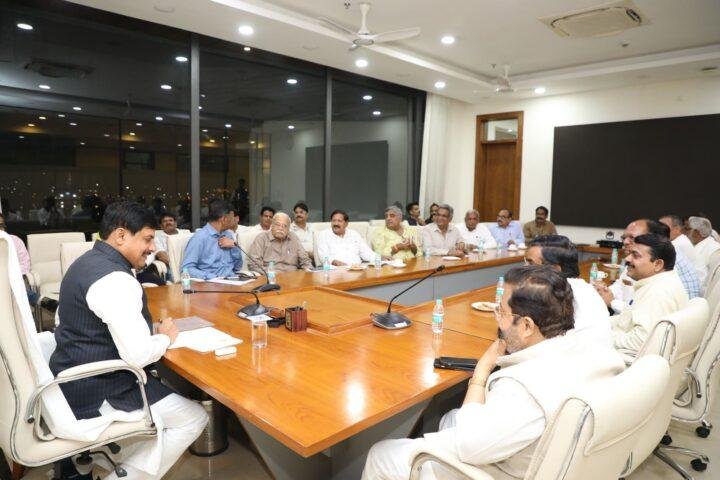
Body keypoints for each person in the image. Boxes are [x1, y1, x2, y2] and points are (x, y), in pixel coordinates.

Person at [362, 265, 625, 480]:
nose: (497, 319)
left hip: (498, 469)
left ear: (526, 326)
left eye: (502, 312)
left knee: (381, 453)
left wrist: (481, 372)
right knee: (448, 419)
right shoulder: (591, 349)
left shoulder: (522, 387)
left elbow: (467, 445)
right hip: (545, 456)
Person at [48, 201, 208, 479]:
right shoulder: (115, 279)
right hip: (99, 390)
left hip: (69, 378)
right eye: (147, 239)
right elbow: (137, 356)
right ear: (121, 235)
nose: (152, 247)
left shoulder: (84, 263)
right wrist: (165, 338)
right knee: (194, 418)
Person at [595, 219, 699, 311]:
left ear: (652, 238)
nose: (625, 242)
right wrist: (605, 291)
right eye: (624, 238)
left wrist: (612, 302)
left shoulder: (664, 263)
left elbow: (641, 312)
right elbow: (621, 284)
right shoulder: (640, 258)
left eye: (632, 237)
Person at [525, 235, 611, 347]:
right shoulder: (585, 287)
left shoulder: (557, 295)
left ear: (554, 269)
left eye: (530, 263)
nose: (523, 268)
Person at [609, 234, 688, 353]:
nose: (628, 259)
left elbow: (640, 342)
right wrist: (597, 324)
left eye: (635, 255)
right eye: (630, 253)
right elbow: (625, 320)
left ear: (658, 264)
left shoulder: (658, 293)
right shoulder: (657, 282)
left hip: (629, 358)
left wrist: (602, 336)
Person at [181, 199, 242, 279]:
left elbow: (238, 267)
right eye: (232, 218)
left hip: (232, 280)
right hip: (212, 283)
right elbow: (187, 269)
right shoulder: (199, 238)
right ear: (224, 219)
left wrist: (234, 247)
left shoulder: (228, 234)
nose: (234, 220)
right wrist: (213, 277)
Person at [248, 212, 312, 272]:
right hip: (271, 276)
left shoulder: (293, 238)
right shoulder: (262, 238)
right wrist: (272, 273)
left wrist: (308, 271)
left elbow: (305, 260)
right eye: (278, 225)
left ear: (288, 229)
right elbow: (254, 264)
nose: (281, 228)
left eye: (285, 226)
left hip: (293, 276)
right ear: (272, 225)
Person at [0, 213, 36, 304]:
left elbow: (25, 265)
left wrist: (9, 274)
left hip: (13, 283)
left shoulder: (15, 241)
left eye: (1, 226)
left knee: (28, 295)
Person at [687, 216, 720, 288]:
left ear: (697, 232)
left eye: (688, 229)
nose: (686, 233)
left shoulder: (714, 248)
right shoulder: (705, 245)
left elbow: (701, 277)